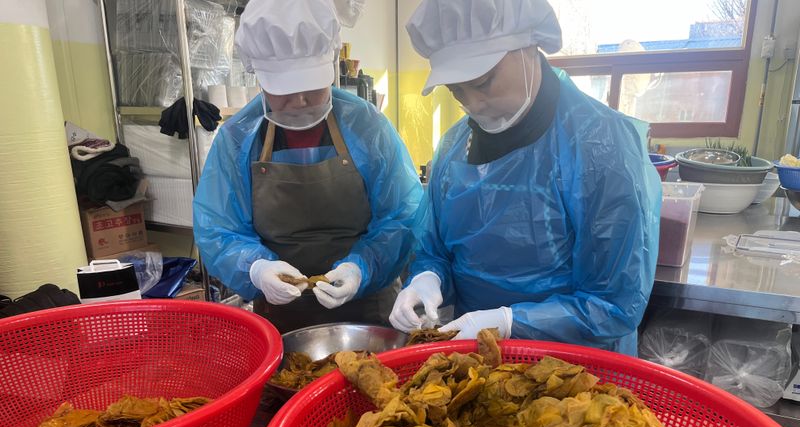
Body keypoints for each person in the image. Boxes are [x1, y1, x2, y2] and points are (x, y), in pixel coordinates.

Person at [389, 0, 661, 356]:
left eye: (483, 82)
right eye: (456, 91)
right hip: (479, 359)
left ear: (529, 47)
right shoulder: (454, 148)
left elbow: (614, 305)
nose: (473, 103)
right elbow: (434, 248)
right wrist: (427, 278)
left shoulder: (601, 145)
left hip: (579, 374)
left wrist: (508, 322)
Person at [193, 0, 422, 333]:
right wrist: (256, 269)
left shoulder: (366, 127)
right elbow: (218, 230)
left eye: (312, 86)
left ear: (330, 66)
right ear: (259, 78)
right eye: (284, 90)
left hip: (369, 311)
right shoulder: (239, 139)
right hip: (281, 317)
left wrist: (362, 268)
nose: (299, 101)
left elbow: (402, 216)